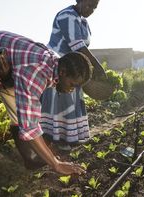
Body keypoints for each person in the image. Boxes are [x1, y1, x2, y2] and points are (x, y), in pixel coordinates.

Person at [0, 30, 87, 196]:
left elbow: (25, 112)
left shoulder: (56, 63)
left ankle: (30, 158)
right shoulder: (35, 73)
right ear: (62, 72)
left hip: (6, 64)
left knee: (18, 108)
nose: (71, 90)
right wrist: (56, 163)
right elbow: (30, 126)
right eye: (72, 84)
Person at [41, 0, 103, 150]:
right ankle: (58, 140)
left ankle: (71, 137)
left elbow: (83, 47)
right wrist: (96, 65)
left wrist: (86, 69)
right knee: (61, 101)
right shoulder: (67, 15)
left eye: (94, 8)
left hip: (74, 67)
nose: (91, 10)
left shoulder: (83, 22)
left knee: (71, 101)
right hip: (59, 66)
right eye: (88, 5)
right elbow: (78, 45)